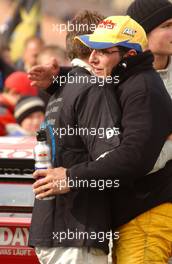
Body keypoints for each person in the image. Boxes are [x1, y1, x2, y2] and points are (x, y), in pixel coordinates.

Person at [32, 15, 172, 264]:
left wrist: (71, 177)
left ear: (128, 56)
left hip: (147, 214)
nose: (93, 58)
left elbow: (133, 158)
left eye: (103, 51)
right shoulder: (126, 79)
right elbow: (94, 83)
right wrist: (59, 79)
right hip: (133, 214)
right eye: (92, 49)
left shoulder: (143, 89)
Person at [29, 10, 118, 264]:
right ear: (97, 46)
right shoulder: (91, 89)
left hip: (54, 230)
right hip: (77, 234)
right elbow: (109, 158)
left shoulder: (62, 87)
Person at [0, 71, 38, 136]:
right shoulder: (4, 113)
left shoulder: (8, 109)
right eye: (26, 100)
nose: (28, 105)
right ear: (13, 92)